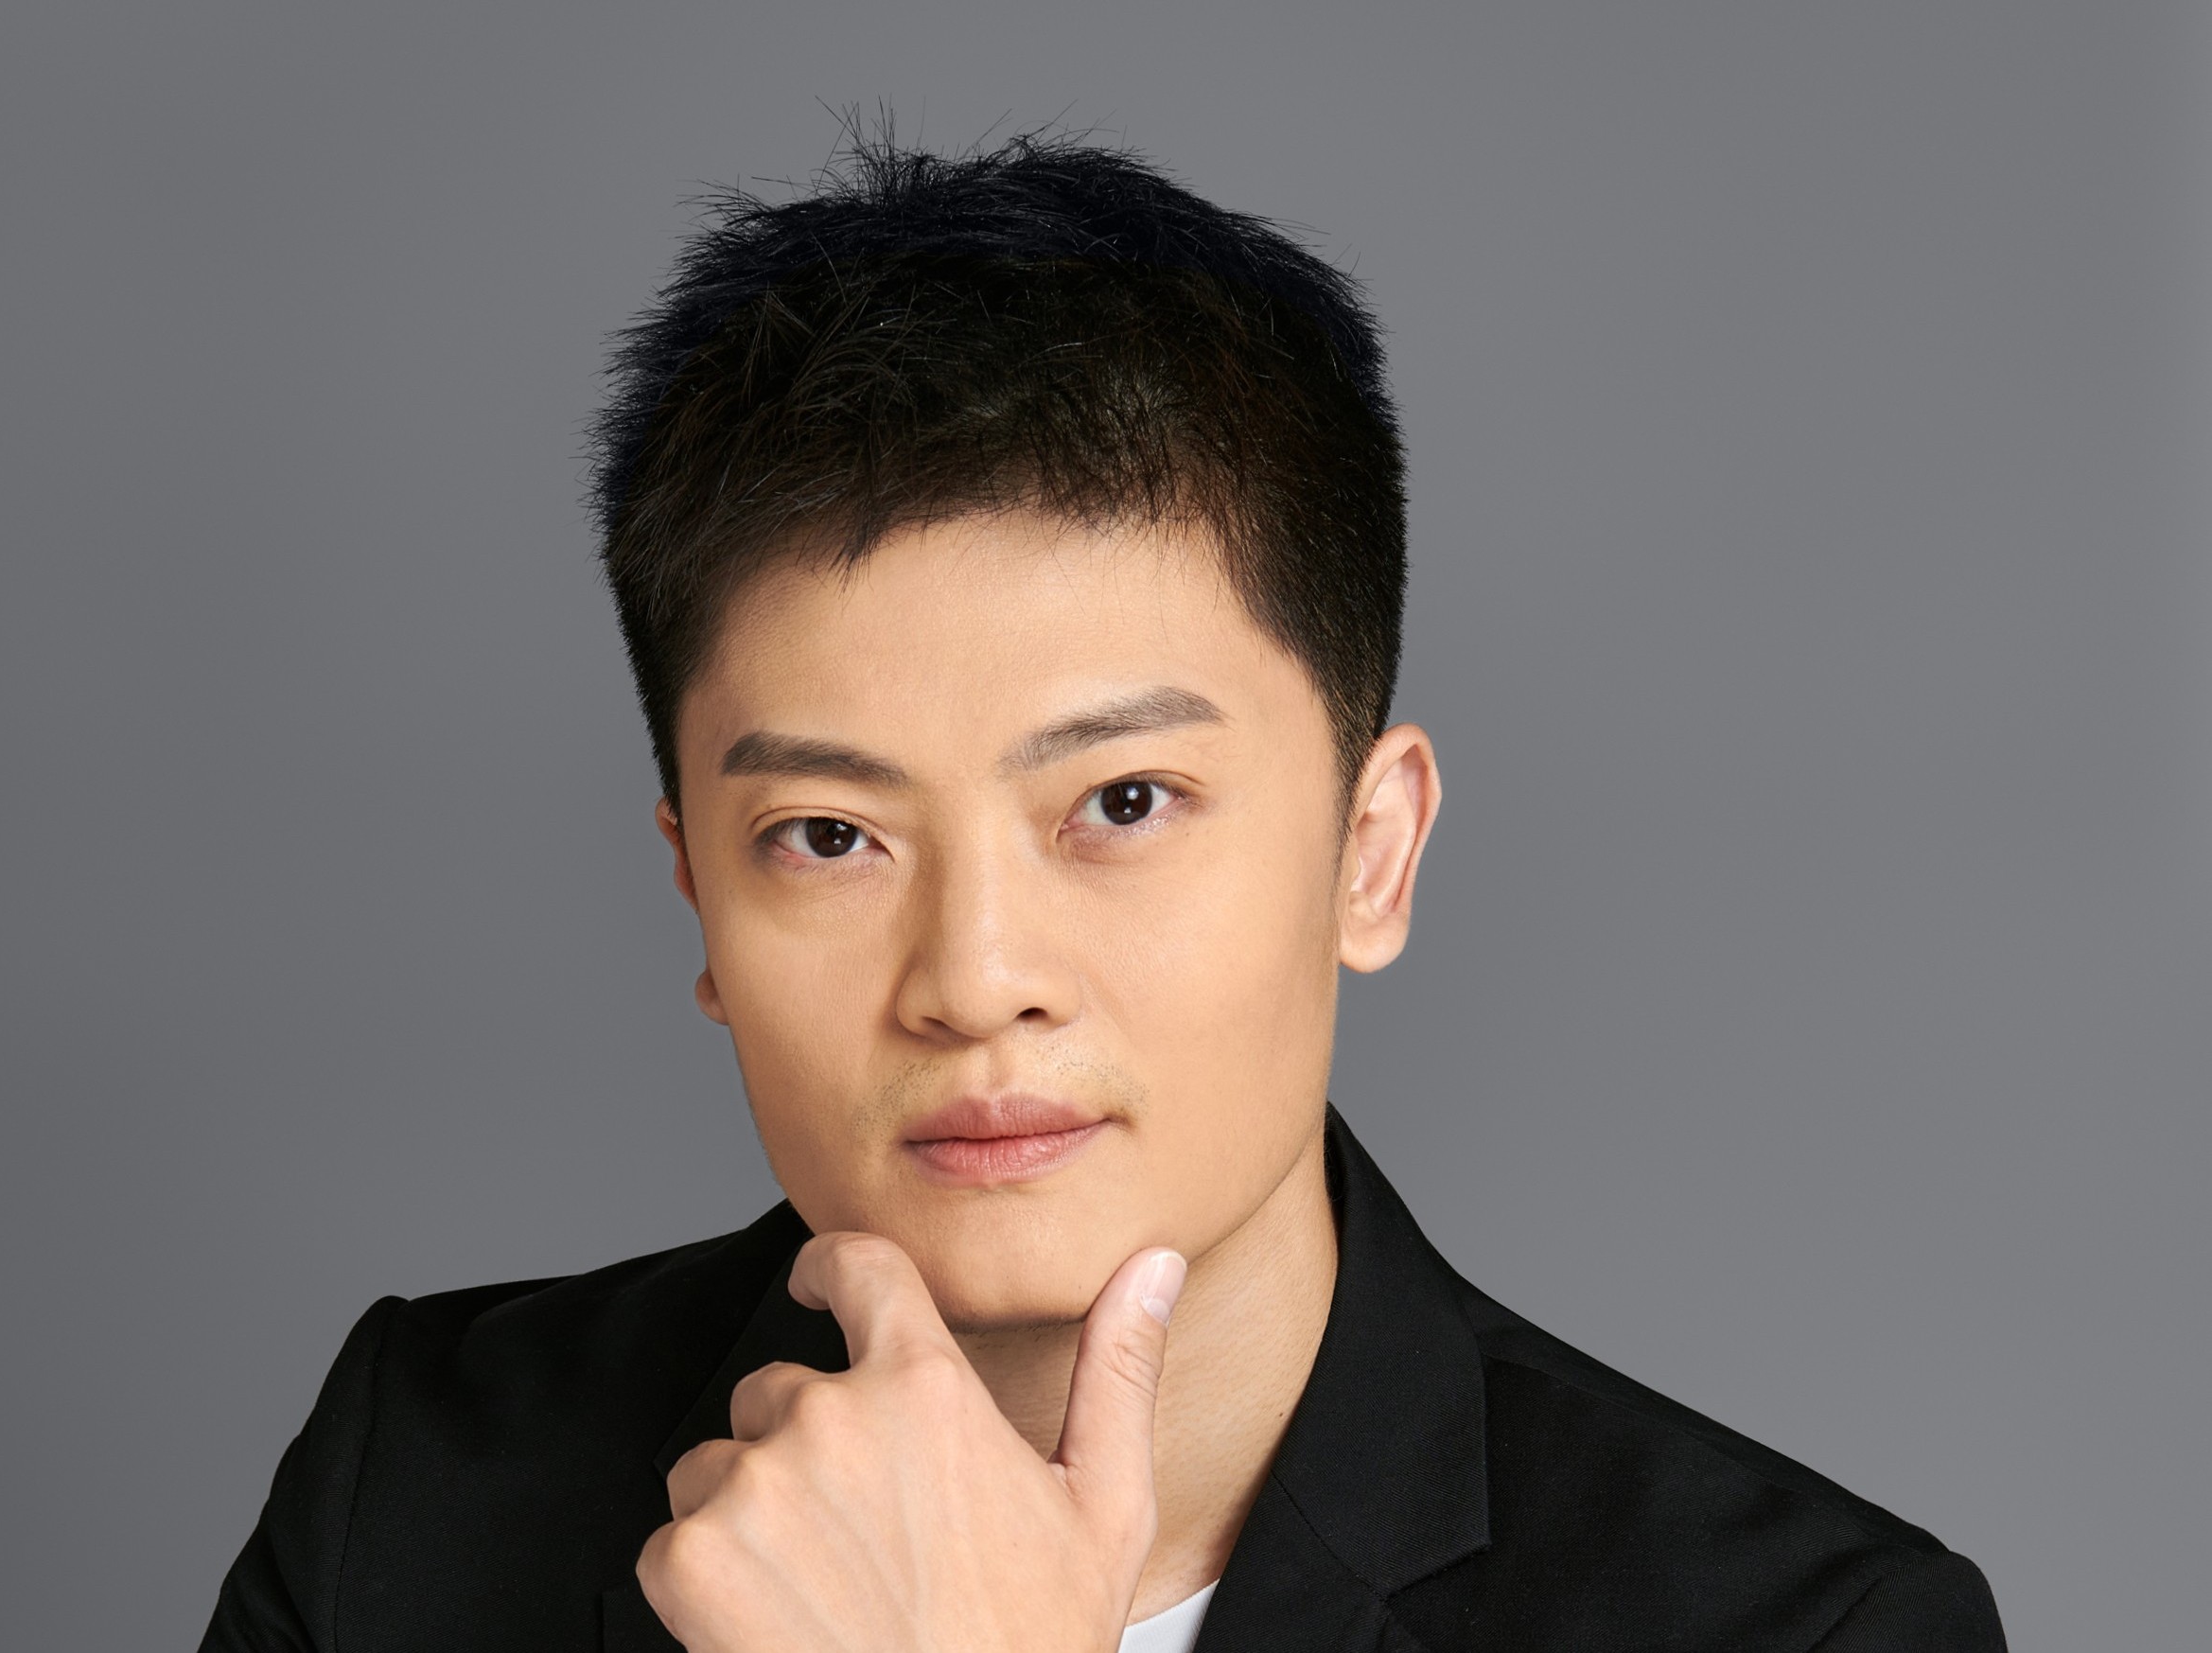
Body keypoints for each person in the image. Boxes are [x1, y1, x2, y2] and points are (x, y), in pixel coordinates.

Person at [198, 133, 2008, 1653]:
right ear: (697, 897)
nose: (975, 978)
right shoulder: (419, 1487)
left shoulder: (1804, 1631)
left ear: (1369, 851)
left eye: (1122, 803)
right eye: (827, 836)